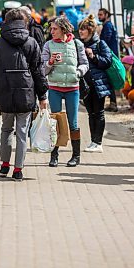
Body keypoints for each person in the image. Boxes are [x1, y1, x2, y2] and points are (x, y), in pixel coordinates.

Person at [0, 8, 48, 181]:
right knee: (22, 132)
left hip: (3, 92)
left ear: (6, 21)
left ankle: (4, 164)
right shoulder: (32, 42)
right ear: (24, 22)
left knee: (5, 129)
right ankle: (18, 169)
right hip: (26, 92)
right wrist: (43, 96)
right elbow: (39, 72)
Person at [42, 16, 89, 167]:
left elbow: (85, 63)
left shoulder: (77, 44)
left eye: (55, 29)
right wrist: (49, 62)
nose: (52, 31)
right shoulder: (48, 45)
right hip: (54, 87)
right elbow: (42, 69)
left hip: (72, 88)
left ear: (64, 29)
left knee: (73, 122)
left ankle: (76, 156)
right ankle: (54, 155)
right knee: (55, 121)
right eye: (51, 29)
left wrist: (78, 72)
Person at [78, 14, 112, 153]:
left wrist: (93, 56)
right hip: (85, 85)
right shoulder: (79, 45)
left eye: (83, 29)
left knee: (99, 112)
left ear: (90, 31)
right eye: (80, 29)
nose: (80, 32)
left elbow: (107, 61)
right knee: (90, 113)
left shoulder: (100, 44)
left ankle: (98, 142)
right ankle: (93, 141)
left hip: (98, 84)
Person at [98, 8, 119, 112]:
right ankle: (112, 102)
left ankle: (113, 103)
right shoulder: (108, 25)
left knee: (108, 79)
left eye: (101, 14)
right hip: (109, 56)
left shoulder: (107, 26)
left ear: (106, 15)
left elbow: (105, 41)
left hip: (109, 57)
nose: (99, 16)